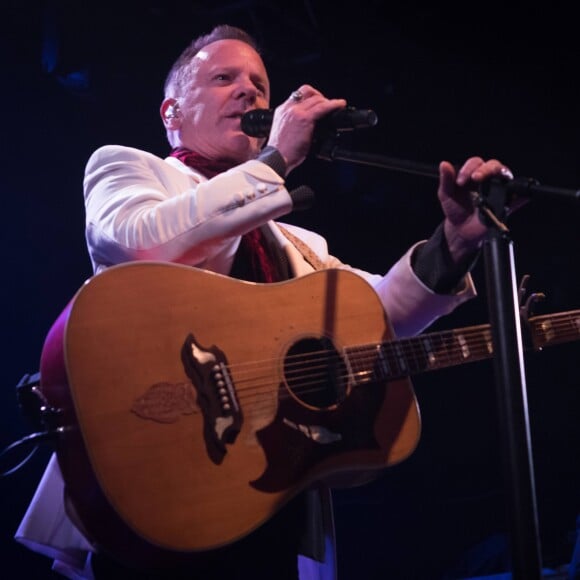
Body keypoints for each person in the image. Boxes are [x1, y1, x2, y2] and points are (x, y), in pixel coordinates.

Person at [14, 23, 515, 580]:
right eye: (224, 77)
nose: (249, 91)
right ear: (171, 112)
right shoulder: (130, 168)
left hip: (267, 494)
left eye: (258, 83)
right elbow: (141, 242)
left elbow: (378, 315)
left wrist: (455, 244)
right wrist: (275, 161)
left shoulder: (298, 243)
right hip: (153, 483)